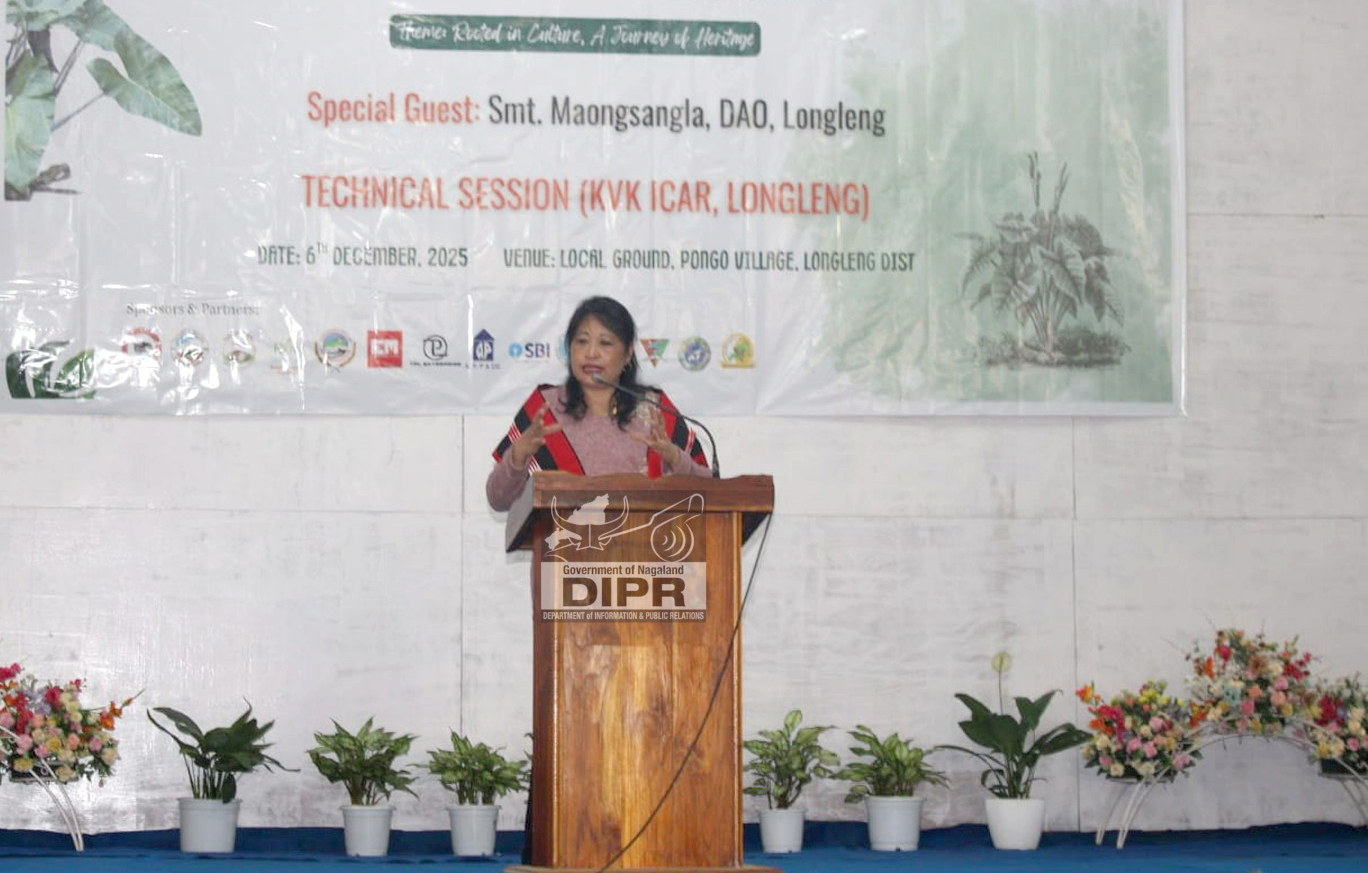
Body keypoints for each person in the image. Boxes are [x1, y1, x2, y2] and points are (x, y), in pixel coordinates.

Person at [485, 295, 713, 512]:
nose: (591, 353)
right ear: (569, 348)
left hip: (646, 539)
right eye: (582, 341)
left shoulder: (656, 410)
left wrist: (674, 457)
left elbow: (710, 494)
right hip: (562, 539)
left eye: (605, 343)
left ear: (627, 355)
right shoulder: (544, 410)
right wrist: (518, 456)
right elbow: (498, 500)